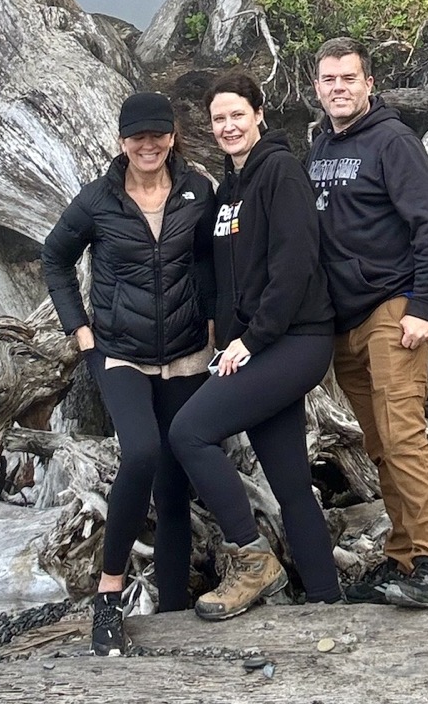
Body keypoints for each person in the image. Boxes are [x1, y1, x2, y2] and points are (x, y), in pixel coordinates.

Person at [42, 92, 216, 657]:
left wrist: (215, 322)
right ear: (121, 142)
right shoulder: (97, 201)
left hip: (187, 354)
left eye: (158, 135)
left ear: (172, 137)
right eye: (137, 136)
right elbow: (55, 258)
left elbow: (211, 260)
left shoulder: (198, 190)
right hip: (119, 353)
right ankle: (108, 596)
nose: (149, 145)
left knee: (172, 482)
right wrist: (80, 330)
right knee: (140, 453)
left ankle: (171, 609)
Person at [167, 71, 342, 620]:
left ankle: (251, 559)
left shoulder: (281, 172)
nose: (228, 126)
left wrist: (251, 339)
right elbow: (222, 277)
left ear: (259, 114)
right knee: (289, 479)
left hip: (295, 339)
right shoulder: (227, 190)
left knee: (189, 433)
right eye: (219, 119)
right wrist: (223, 333)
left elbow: (294, 266)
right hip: (258, 343)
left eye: (236, 114)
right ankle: (326, 598)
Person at [306, 36, 428, 609]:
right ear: (317, 88)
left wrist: (423, 308)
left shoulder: (393, 141)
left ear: (369, 84)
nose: (339, 87)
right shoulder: (319, 146)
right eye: (329, 79)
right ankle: (401, 556)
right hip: (342, 321)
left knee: (403, 436)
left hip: (392, 310)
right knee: (378, 445)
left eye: (349, 78)